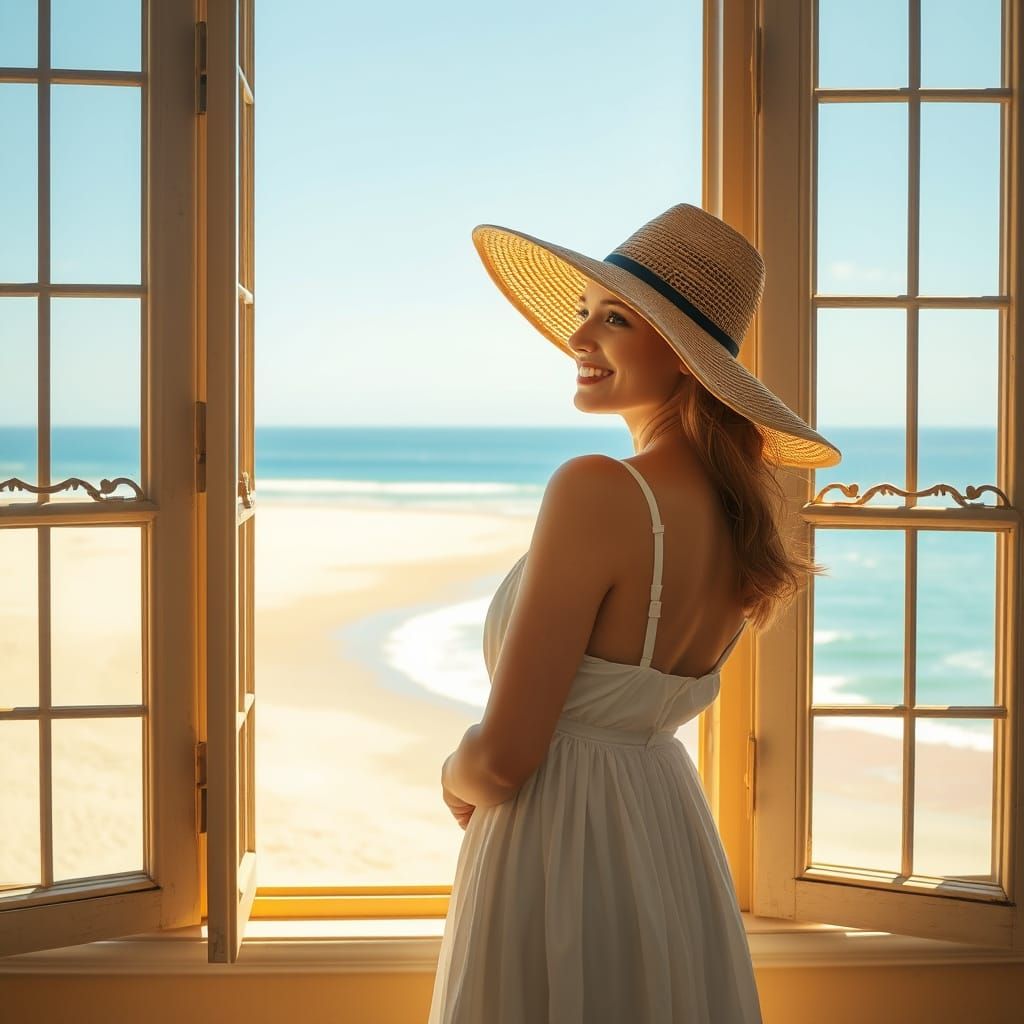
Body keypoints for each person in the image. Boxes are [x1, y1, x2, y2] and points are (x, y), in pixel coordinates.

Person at [428, 203, 841, 1023]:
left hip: (555, 841)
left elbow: (505, 760)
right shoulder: (741, 514)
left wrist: (453, 774)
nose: (579, 342)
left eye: (612, 321)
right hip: (666, 832)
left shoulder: (598, 488)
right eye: (584, 315)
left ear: (685, 358)